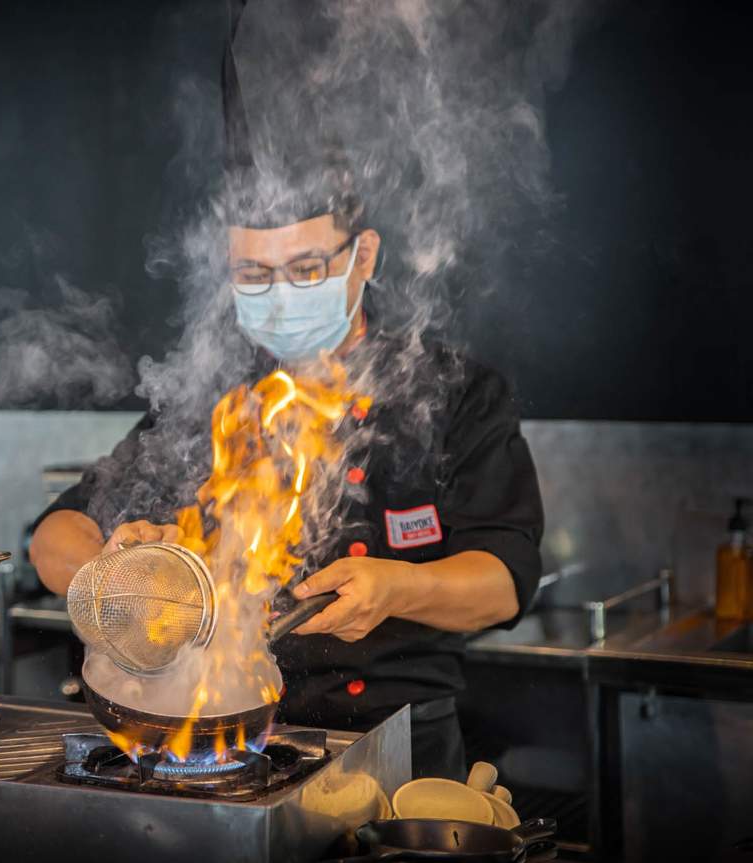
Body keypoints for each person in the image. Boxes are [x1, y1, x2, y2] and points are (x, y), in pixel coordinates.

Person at [28, 2, 543, 780]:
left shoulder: (454, 392)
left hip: (396, 748)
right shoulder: (213, 398)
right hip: (220, 738)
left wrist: (395, 586)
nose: (278, 292)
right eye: (252, 275)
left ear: (361, 255)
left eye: (305, 270)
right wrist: (116, 573)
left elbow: (502, 581)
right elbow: (52, 534)